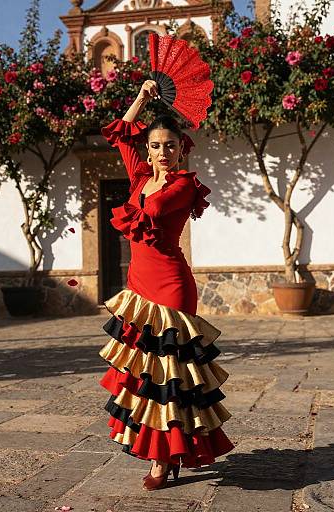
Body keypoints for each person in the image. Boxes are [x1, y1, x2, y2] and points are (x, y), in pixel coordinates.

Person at [98, 80, 234, 491]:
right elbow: (122, 135)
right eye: (155, 145)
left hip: (171, 284)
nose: (161, 152)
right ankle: (165, 451)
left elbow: (154, 213)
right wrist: (140, 99)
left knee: (169, 375)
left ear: (182, 147)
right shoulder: (140, 177)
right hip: (138, 282)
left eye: (169, 145)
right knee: (145, 376)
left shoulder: (183, 186)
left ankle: (163, 459)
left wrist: (150, 178)